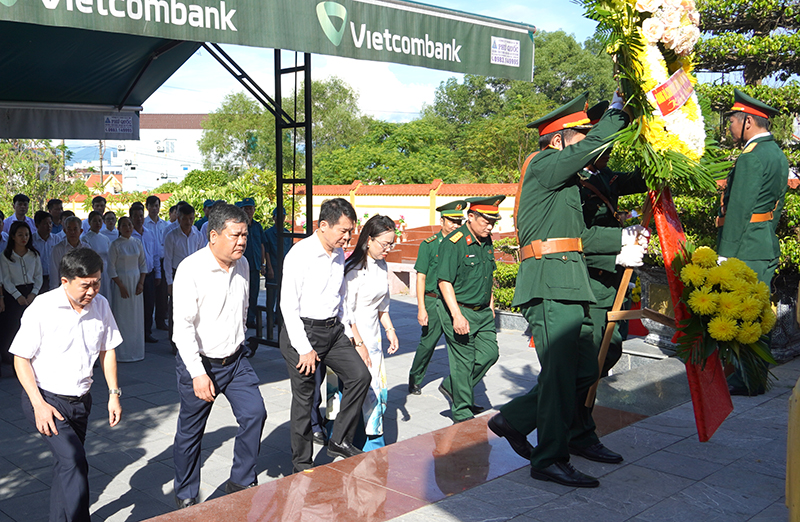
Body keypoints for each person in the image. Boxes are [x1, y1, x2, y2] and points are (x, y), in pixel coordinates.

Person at [488, 93, 647, 488]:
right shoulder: (543, 164)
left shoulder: (566, 181)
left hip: (570, 281)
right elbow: (594, 146)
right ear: (558, 139)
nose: (589, 143)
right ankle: (549, 458)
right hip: (549, 280)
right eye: (581, 135)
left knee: (584, 369)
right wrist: (616, 111)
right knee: (561, 376)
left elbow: (583, 234)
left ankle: (516, 419)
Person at [10, 248, 122, 522]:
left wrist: (113, 394)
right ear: (65, 281)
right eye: (85, 285)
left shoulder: (102, 305)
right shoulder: (43, 308)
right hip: (47, 399)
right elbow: (20, 358)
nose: (92, 291)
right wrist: (39, 405)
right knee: (74, 461)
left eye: (97, 282)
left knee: (66, 466)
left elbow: (108, 351)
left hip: (81, 401)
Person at [171, 203, 267, 508]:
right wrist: (198, 373)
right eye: (235, 235)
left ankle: (240, 478)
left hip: (235, 361)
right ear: (213, 236)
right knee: (191, 433)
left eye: (245, 235)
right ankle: (186, 494)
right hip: (201, 364)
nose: (242, 241)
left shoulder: (243, 265)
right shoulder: (191, 269)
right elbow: (182, 328)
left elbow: (241, 310)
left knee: (255, 413)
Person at [280, 197, 371, 473]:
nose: (348, 237)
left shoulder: (339, 253)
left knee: (360, 376)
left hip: (333, 331)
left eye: (350, 231)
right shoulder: (300, 254)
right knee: (305, 398)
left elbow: (340, 298)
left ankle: (339, 439)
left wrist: (354, 337)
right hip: (303, 332)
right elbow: (288, 305)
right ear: (323, 225)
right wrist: (304, 348)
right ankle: (302, 463)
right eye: (343, 231)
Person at [718, 89, 789, 396]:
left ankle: (745, 379)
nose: (730, 127)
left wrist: (725, 254)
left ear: (748, 121)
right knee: (758, 313)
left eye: (732, 120)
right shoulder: (777, 154)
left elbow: (738, 209)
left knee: (743, 313)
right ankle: (755, 377)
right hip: (763, 243)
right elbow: (776, 207)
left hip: (745, 247)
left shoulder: (751, 157)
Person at [435, 196, 503, 424]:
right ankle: (462, 414)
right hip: (460, 310)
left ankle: (451, 386)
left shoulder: (486, 240)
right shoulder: (453, 243)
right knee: (463, 362)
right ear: (470, 217)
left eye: (493, 221)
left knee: (489, 354)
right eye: (486, 221)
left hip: (483, 311)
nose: (490, 226)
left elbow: (488, 274)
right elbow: (444, 281)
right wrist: (457, 315)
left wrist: (491, 305)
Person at [342, 215, 399, 450]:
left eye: (391, 244)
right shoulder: (353, 269)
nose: (388, 249)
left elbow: (382, 306)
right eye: (384, 244)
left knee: (377, 390)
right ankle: (353, 438)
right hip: (352, 337)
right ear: (368, 239)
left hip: (373, 338)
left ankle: (372, 438)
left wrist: (390, 329)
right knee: (359, 389)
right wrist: (358, 343)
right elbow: (345, 311)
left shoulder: (382, 266)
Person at [407, 200, 466, 395]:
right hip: (433, 300)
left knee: (459, 343)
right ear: (442, 221)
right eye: (452, 221)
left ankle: (458, 385)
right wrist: (421, 308)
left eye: (459, 222)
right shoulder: (429, 245)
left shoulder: (462, 245)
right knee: (428, 343)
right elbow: (421, 277)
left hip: (454, 302)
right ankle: (415, 378)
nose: (456, 225)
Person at [0, 222, 43, 371]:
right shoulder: (5, 256)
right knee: (13, 329)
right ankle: (15, 365)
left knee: (33, 328)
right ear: (12, 236)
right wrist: (17, 295)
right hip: (13, 295)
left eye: (26, 235)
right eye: (20, 235)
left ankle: (33, 363)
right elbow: (6, 279)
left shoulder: (34, 254)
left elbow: (38, 276)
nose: (24, 238)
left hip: (31, 292)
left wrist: (34, 293)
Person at [164, 203, 205, 350]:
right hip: (177, 274)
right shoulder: (171, 236)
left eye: (191, 218)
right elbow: (167, 260)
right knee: (176, 309)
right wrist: (169, 282)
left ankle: (193, 340)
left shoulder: (197, 234)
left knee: (194, 308)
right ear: (179, 219)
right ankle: (175, 342)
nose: (188, 222)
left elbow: (202, 257)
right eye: (185, 219)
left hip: (194, 275)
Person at [108, 217, 147, 363]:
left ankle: (136, 351)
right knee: (122, 317)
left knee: (136, 317)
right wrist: (120, 285)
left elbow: (143, 264)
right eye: (124, 225)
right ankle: (122, 353)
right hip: (121, 283)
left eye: (130, 225)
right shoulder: (115, 245)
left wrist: (141, 283)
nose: (128, 228)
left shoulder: (137, 242)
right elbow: (111, 268)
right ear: (119, 228)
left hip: (136, 282)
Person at [130, 203, 161, 344]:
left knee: (149, 306)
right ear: (131, 218)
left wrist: (158, 274)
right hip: (133, 276)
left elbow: (155, 255)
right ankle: (136, 334)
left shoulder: (149, 233)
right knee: (135, 307)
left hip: (149, 275)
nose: (139, 219)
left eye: (141, 216)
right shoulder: (128, 235)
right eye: (135, 216)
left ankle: (147, 333)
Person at [237, 198, 266, 329]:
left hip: (254, 265)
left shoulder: (258, 226)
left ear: (254, 210)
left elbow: (261, 244)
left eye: (250, 208)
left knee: (253, 294)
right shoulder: (238, 226)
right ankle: (240, 319)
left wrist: (262, 263)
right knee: (241, 293)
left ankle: (251, 318)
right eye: (246, 208)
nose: (248, 211)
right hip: (241, 265)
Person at [144, 195, 169, 331]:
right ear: (147, 207)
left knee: (162, 294)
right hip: (149, 263)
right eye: (152, 206)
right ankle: (147, 325)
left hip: (163, 261)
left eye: (157, 206)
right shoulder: (143, 224)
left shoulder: (165, 225)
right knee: (149, 295)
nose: (155, 209)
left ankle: (160, 321)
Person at [50, 217, 91, 291]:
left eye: (75, 229)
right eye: (69, 229)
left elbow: (89, 270)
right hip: (64, 288)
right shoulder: (58, 249)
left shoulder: (86, 248)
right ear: (65, 231)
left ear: (81, 231)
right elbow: (54, 272)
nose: (72, 232)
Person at [81, 211, 113, 300]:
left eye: (100, 221)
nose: (98, 223)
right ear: (89, 222)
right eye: (95, 221)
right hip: (93, 271)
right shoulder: (85, 238)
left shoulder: (105, 238)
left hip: (106, 271)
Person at [32, 210, 59, 294]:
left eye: (50, 223)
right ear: (37, 225)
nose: (49, 226)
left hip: (53, 277)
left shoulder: (56, 239)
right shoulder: (32, 240)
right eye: (45, 224)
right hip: (37, 279)